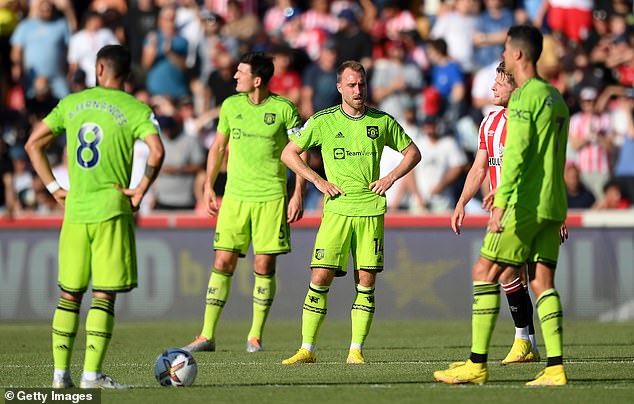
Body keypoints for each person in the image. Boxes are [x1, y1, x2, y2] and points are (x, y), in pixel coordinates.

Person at [434, 25, 569, 386]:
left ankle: (477, 363)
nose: (503, 56)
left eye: (507, 50)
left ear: (519, 55)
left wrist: (501, 202)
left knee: (483, 272)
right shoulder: (555, 97)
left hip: (521, 205)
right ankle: (555, 368)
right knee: (542, 283)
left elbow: (519, 155)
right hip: (551, 204)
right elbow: (556, 159)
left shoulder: (524, 99)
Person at [25, 44, 164, 389]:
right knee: (103, 294)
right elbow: (157, 152)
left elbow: (32, 145)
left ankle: (60, 377)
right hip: (112, 210)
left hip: (75, 210)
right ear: (127, 75)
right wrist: (141, 189)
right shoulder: (135, 108)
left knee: (69, 294)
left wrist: (54, 187)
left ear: (99, 69)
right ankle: (91, 375)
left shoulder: (71, 103)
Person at [280, 60, 421, 365]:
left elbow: (413, 153)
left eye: (362, 84)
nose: (358, 90)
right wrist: (317, 181)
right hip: (337, 212)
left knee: (366, 282)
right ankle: (307, 348)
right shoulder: (323, 120)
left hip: (370, 211)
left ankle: (356, 349)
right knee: (320, 276)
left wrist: (389, 178)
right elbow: (289, 153)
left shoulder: (381, 121)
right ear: (340, 87)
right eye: (352, 85)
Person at [183, 52, 304, 354]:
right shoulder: (229, 106)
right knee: (222, 262)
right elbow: (218, 147)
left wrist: (298, 192)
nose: (235, 76)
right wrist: (209, 187)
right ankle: (206, 335)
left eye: (240, 72)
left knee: (263, 265)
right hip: (235, 197)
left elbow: (301, 152)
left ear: (257, 80)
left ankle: (255, 335)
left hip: (271, 198)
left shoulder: (284, 109)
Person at [451, 62, 540, 364]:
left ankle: (522, 342)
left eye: (500, 82)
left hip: (529, 208)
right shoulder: (489, 122)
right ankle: (527, 342)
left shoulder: (528, 121)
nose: (493, 87)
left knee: (513, 275)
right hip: (501, 214)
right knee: (516, 276)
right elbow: (479, 166)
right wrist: (462, 201)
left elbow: (544, 168)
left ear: (516, 88)